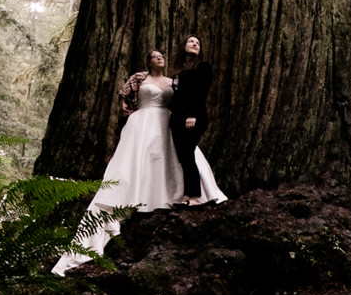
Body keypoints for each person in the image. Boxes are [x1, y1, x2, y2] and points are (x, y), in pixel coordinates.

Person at [51, 47, 227, 275]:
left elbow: (188, 97)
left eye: (161, 55)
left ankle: (182, 194)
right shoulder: (139, 78)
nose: (159, 58)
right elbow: (125, 97)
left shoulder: (174, 80)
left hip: (168, 124)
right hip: (141, 125)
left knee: (175, 157)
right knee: (137, 163)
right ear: (149, 61)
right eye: (154, 56)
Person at [170, 34, 218, 206]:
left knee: (188, 155)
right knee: (183, 157)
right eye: (191, 41)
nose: (195, 44)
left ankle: (196, 197)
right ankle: (187, 196)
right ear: (183, 45)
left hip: (193, 118)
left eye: (198, 43)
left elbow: (200, 93)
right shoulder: (179, 70)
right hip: (177, 119)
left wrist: (192, 115)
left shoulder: (202, 67)